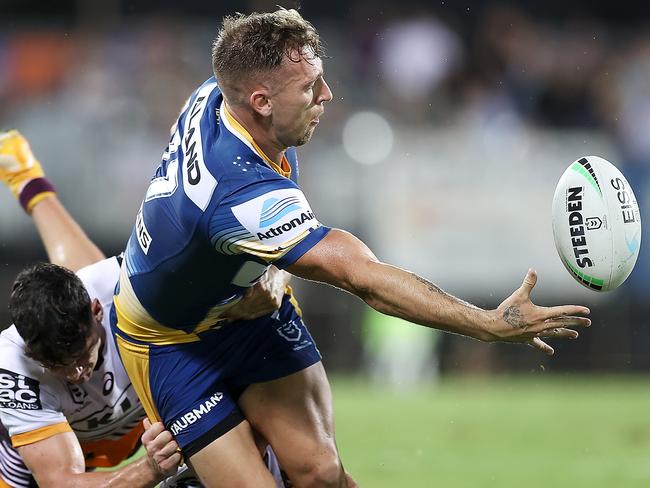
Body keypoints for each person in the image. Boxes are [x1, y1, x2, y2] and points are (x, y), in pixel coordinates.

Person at [112, 8, 591, 487]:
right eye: (309, 88)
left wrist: (263, 264)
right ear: (260, 101)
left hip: (248, 309)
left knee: (321, 475)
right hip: (169, 340)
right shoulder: (238, 192)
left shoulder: (220, 90)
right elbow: (361, 278)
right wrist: (487, 324)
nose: (326, 95)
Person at [0, 130, 286, 488]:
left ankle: (27, 178)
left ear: (95, 313)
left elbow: (245, 250)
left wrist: (272, 278)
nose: (76, 374)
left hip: (129, 418)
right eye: (59, 366)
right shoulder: (13, 368)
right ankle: (26, 178)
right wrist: (149, 471)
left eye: (82, 355)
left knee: (110, 287)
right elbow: (60, 482)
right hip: (48, 453)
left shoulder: (125, 280)